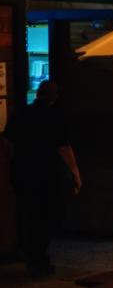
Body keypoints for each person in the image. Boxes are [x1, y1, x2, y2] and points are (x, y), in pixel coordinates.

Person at [4, 80, 82, 277]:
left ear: (37, 93)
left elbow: (8, 140)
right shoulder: (55, 116)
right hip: (46, 171)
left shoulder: (21, 113)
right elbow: (64, 147)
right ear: (55, 96)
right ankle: (39, 257)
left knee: (27, 212)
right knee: (46, 214)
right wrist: (75, 172)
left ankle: (29, 252)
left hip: (22, 169)